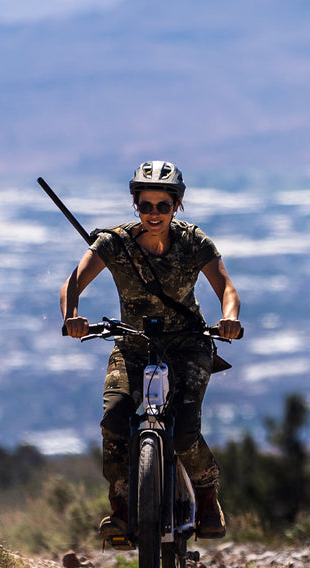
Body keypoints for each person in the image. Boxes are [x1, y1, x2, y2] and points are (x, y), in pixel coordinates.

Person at [60, 160, 242, 544]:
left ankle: (207, 497)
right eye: (146, 205)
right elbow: (72, 284)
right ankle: (123, 510)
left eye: (163, 205)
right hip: (133, 343)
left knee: (185, 429)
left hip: (188, 345)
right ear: (135, 205)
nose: (154, 214)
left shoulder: (195, 243)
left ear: (176, 206)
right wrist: (72, 316)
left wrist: (229, 319)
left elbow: (226, 289)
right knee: (114, 419)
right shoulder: (113, 242)